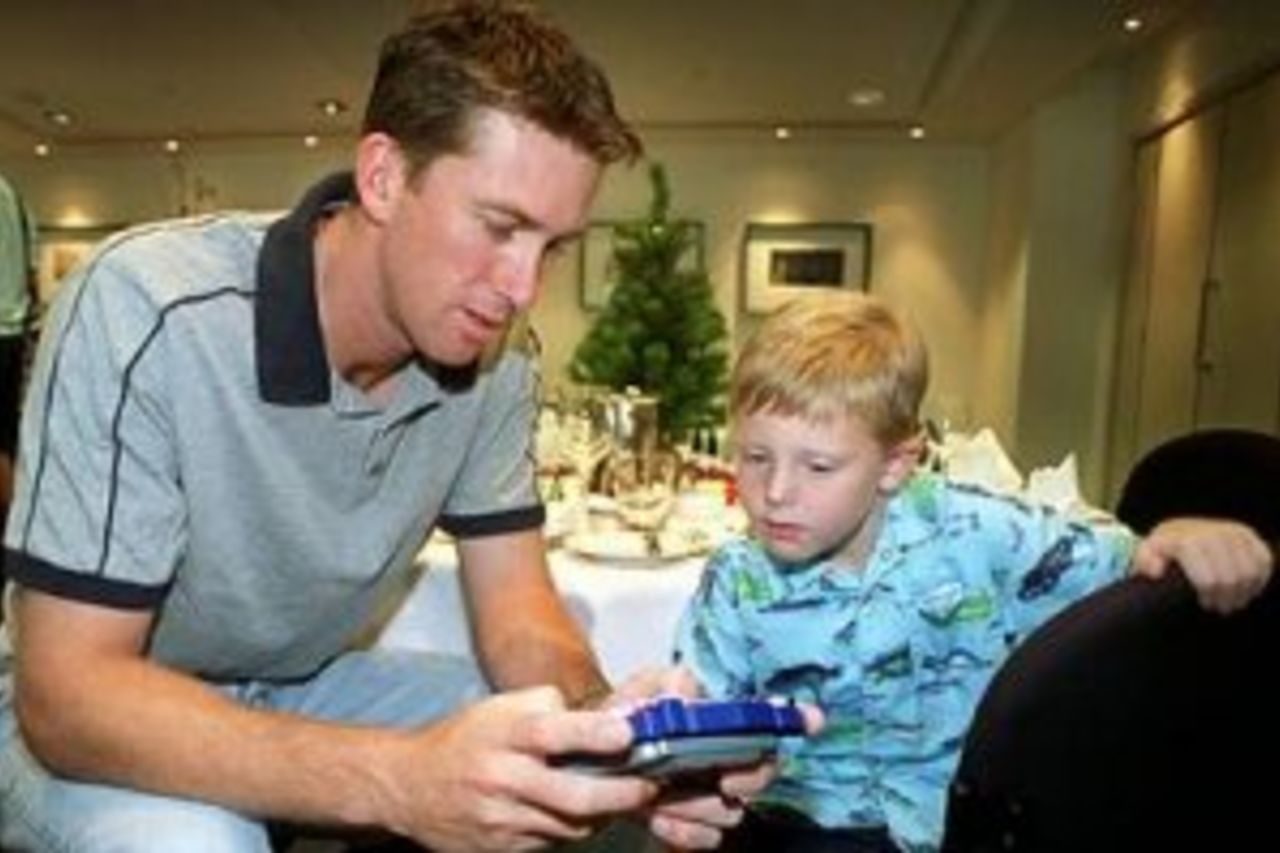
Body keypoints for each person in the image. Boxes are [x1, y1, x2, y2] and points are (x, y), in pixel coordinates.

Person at [0, 3, 811, 850]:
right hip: (83, 707)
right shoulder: (146, 305)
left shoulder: (502, 361)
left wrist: (609, 731)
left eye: (554, 247)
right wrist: (395, 778)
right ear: (383, 177)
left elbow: (520, 616)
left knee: (536, 745)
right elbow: (67, 697)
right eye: (500, 228)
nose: (522, 289)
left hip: (296, 683)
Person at [673, 291, 1273, 852]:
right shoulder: (735, 580)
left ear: (895, 463)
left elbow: (1117, 574)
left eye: (819, 467)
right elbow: (698, 717)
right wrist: (704, 761)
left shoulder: (980, 531)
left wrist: (1168, 538)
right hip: (802, 824)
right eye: (755, 457)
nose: (775, 491)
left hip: (964, 822)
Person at [0, 170, 36, 615]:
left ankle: (16, 534)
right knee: (5, 442)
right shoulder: (13, 191)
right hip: (12, 330)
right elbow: (29, 270)